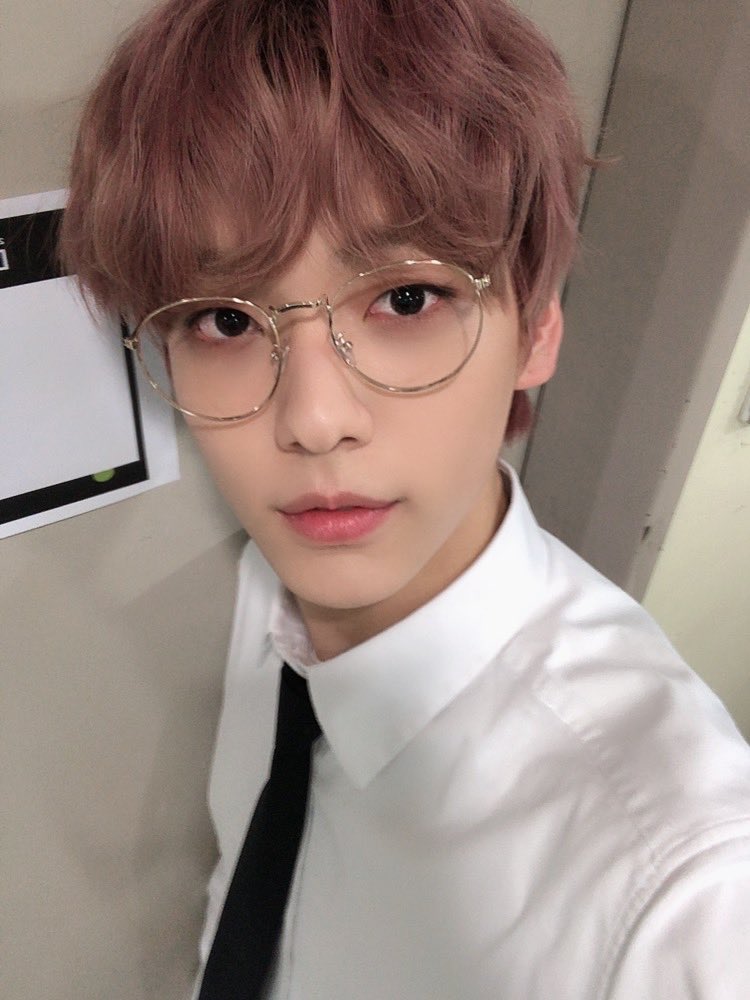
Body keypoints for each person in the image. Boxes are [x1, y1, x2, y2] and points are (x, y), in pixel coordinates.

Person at [61, 0, 750, 997]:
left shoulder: (682, 894)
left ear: (538, 328)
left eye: (407, 298)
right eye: (224, 319)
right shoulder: (275, 588)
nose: (313, 419)